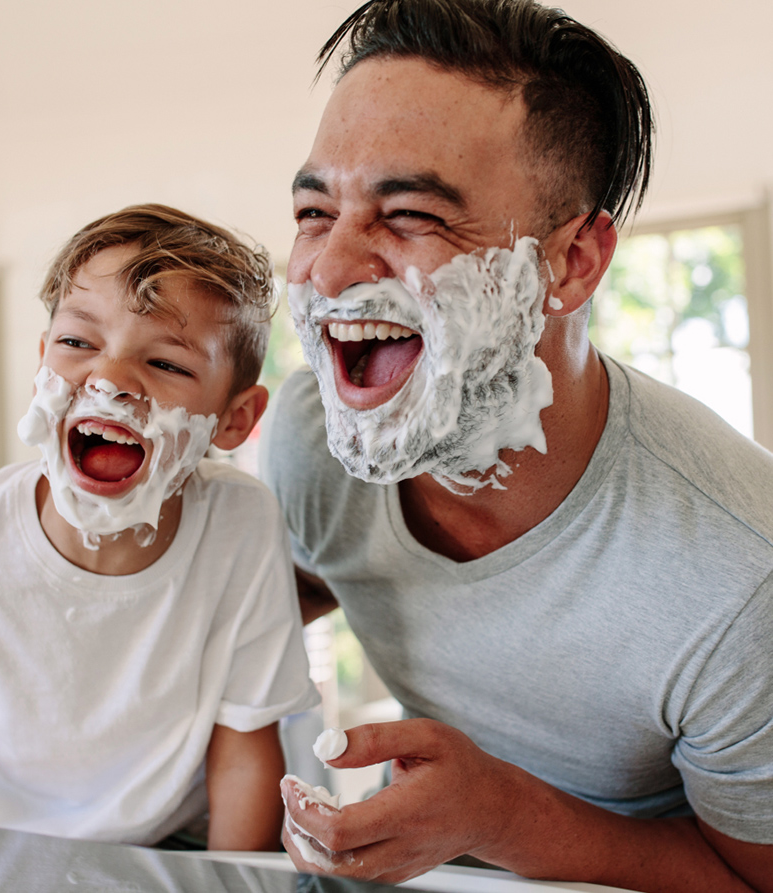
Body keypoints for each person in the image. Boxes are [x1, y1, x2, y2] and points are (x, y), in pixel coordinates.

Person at [259, 1, 773, 890]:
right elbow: (276, 595)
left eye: (409, 213)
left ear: (569, 263)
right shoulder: (313, 444)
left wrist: (497, 814)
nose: (327, 269)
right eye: (314, 210)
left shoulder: (738, 579)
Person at [0, 204, 320, 851]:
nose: (111, 380)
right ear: (42, 362)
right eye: (77, 342)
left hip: (170, 837)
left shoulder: (240, 523)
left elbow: (243, 752)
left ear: (234, 419)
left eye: (167, 364)